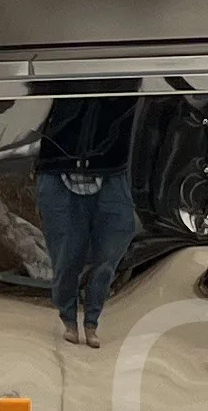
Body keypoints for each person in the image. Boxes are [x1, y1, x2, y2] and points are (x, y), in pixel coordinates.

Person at [33, 93, 138, 348]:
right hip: (58, 164)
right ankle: (70, 320)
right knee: (67, 254)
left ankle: (91, 322)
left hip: (111, 166)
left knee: (109, 250)